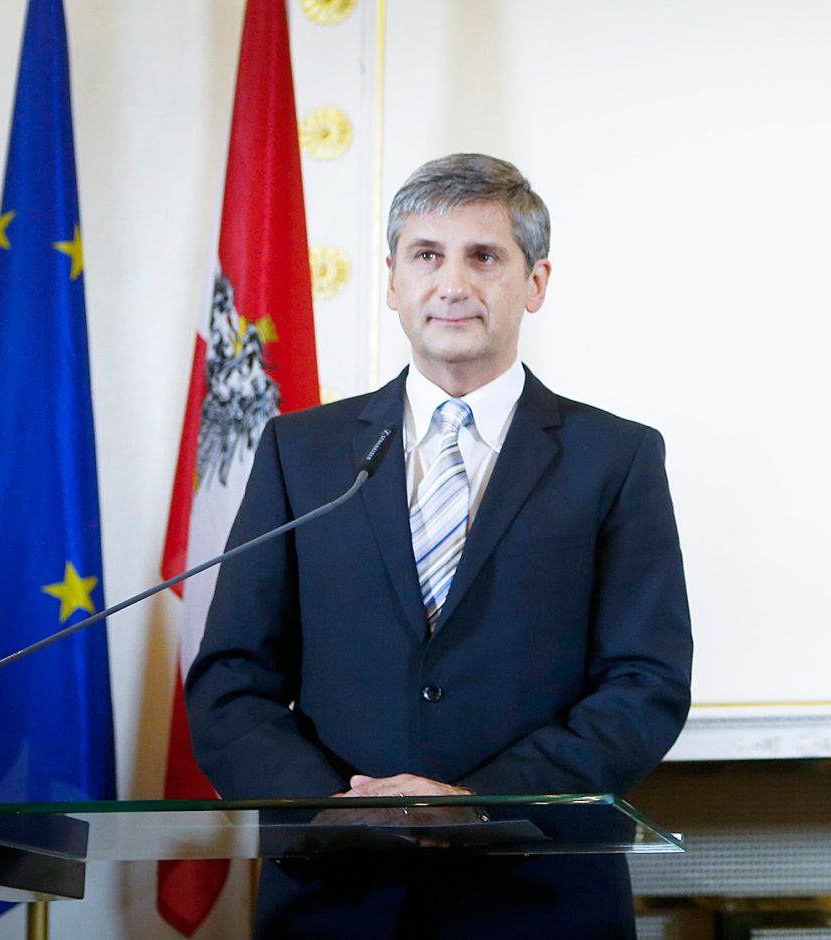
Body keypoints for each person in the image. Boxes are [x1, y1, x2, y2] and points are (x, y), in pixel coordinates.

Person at [186, 153, 693, 939]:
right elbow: (230, 679)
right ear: (393, 281)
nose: (452, 284)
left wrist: (484, 807)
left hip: (539, 898)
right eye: (428, 256)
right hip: (334, 897)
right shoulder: (302, 450)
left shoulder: (616, 457)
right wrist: (330, 810)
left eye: (483, 257)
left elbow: (645, 683)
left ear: (536, 283)